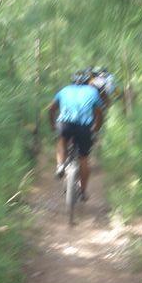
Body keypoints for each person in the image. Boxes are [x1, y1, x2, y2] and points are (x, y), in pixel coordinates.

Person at [48, 70, 103, 201]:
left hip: (65, 124)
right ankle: (83, 192)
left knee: (62, 141)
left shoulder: (64, 90)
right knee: (84, 158)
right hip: (84, 127)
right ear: (86, 82)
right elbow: (99, 114)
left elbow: (51, 109)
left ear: (72, 81)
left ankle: (60, 165)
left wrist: (52, 125)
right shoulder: (93, 92)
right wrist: (95, 129)